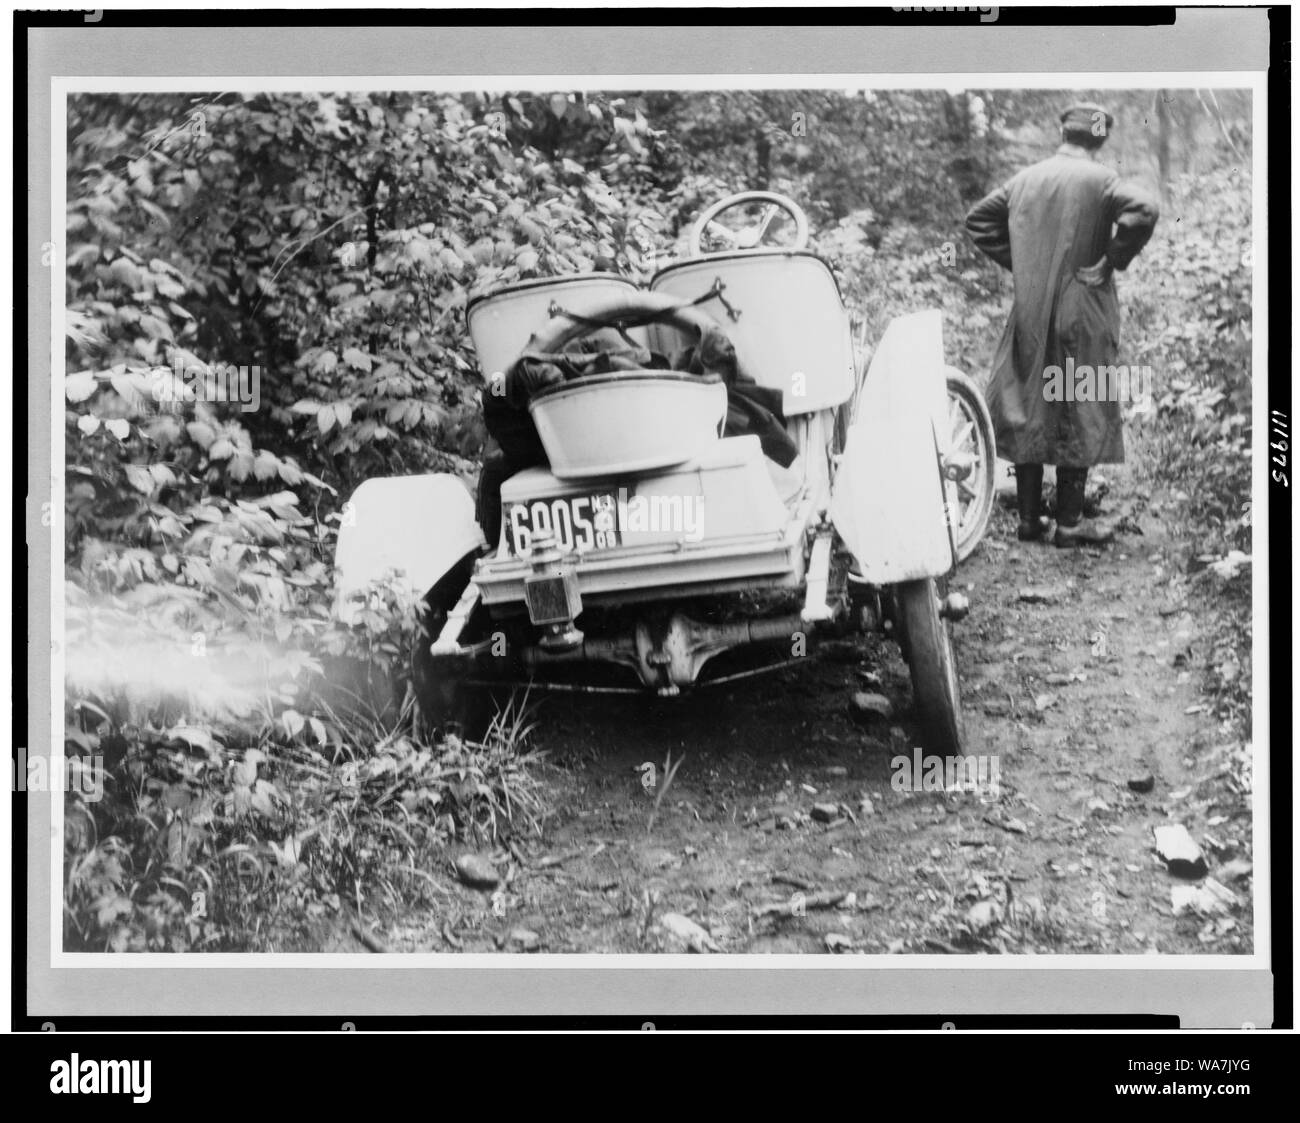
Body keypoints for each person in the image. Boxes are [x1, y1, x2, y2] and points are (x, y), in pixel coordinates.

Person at [965, 102, 1160, 546]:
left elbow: (978, 220)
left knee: (1028, 401)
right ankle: (1069, 524)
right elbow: (1145, 210)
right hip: (1084, 307)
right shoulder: (1102, 179)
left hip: (1031, 307)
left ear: (1063, 132)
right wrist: (1112, 260)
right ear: (1100, 138)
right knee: (1080, 398)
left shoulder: (1025, 179)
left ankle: (1029, 521)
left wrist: (1024, 263)